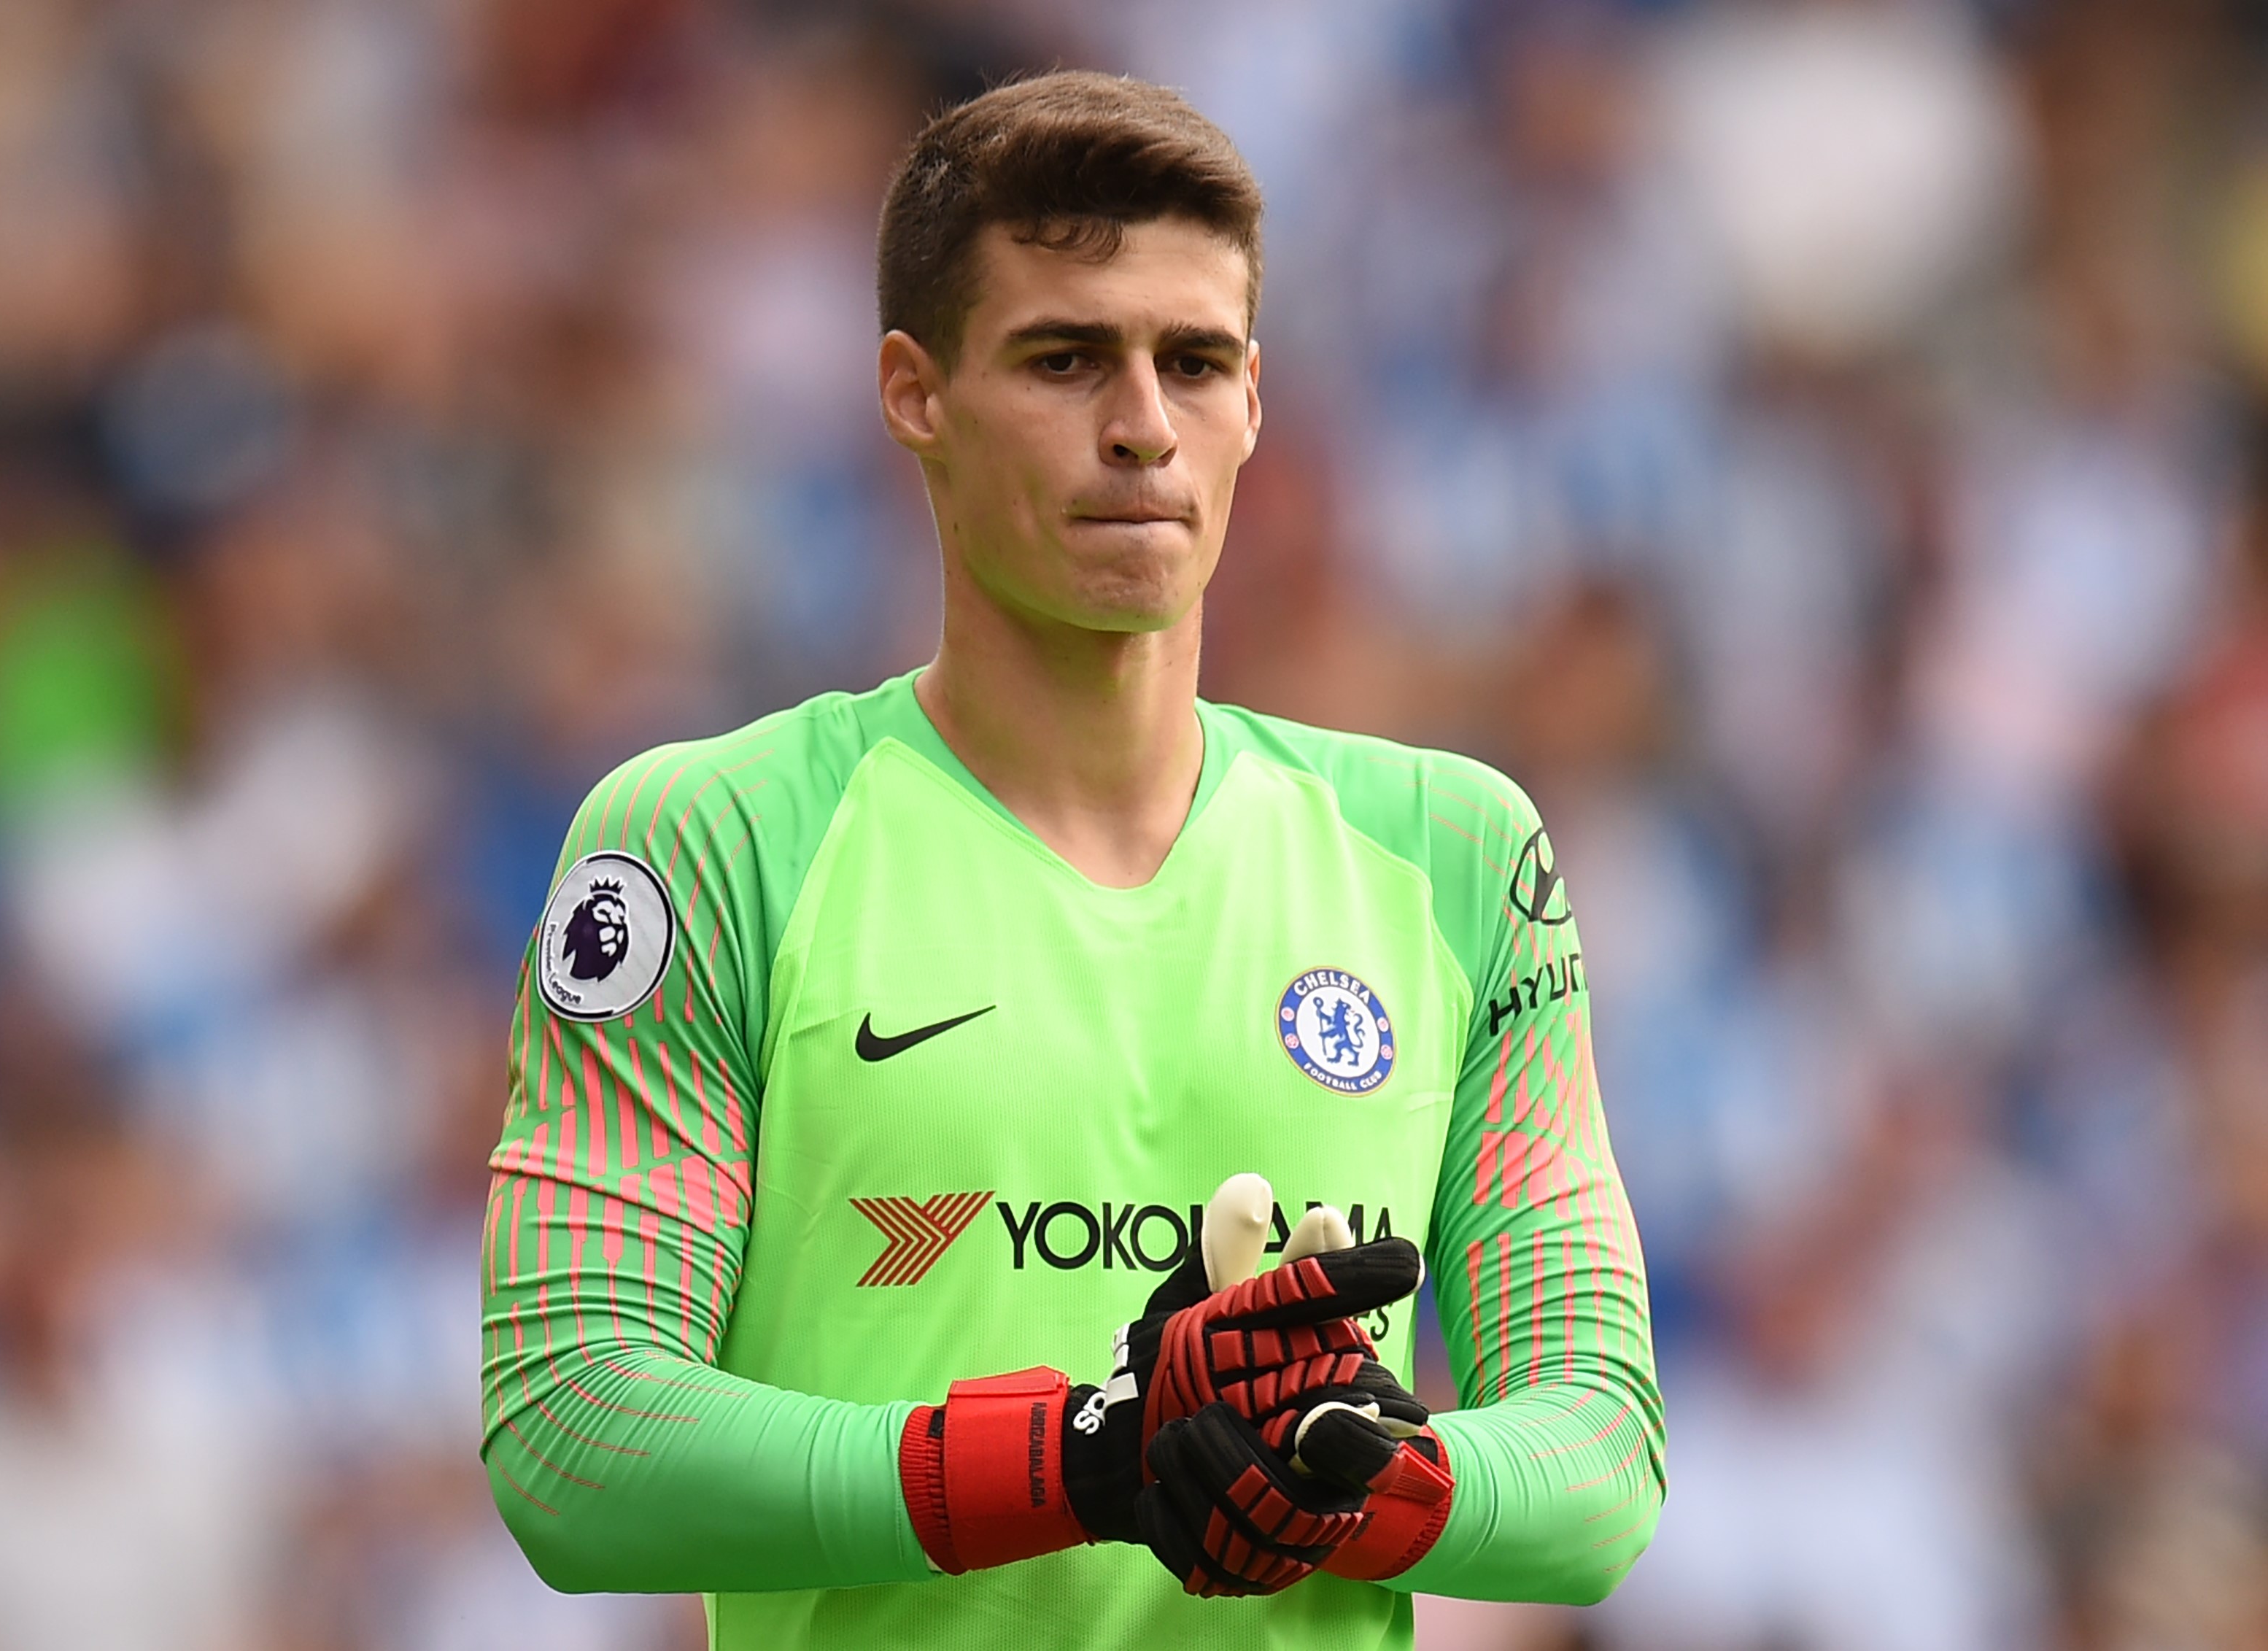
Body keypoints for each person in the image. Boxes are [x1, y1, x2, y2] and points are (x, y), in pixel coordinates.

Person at [480, 69, 1663, 1650]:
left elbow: (1601, 1458)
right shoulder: (709, 837)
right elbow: (572, 1440)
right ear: (914, 392)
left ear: (1254, 399)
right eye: (1062, 359)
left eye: (1193, 361)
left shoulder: (1451, 852)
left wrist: (1345, 1475)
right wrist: (1083, 1458)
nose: (1138, 427)